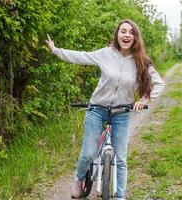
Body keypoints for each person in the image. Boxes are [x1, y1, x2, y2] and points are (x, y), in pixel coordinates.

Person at [45, 19, 165, 200]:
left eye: (130, 32)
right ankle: (79, 179)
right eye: (123, 31)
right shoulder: (105, 54)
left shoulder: (141, 61)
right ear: (117, 35)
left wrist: (143, 99)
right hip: (97, 110)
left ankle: (121, 196)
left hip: (121, 113)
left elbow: (159, 84)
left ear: (135, 37)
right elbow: (80, 56)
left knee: (121, 158)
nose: (126, 35)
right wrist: (56, 50)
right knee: (88, 154)